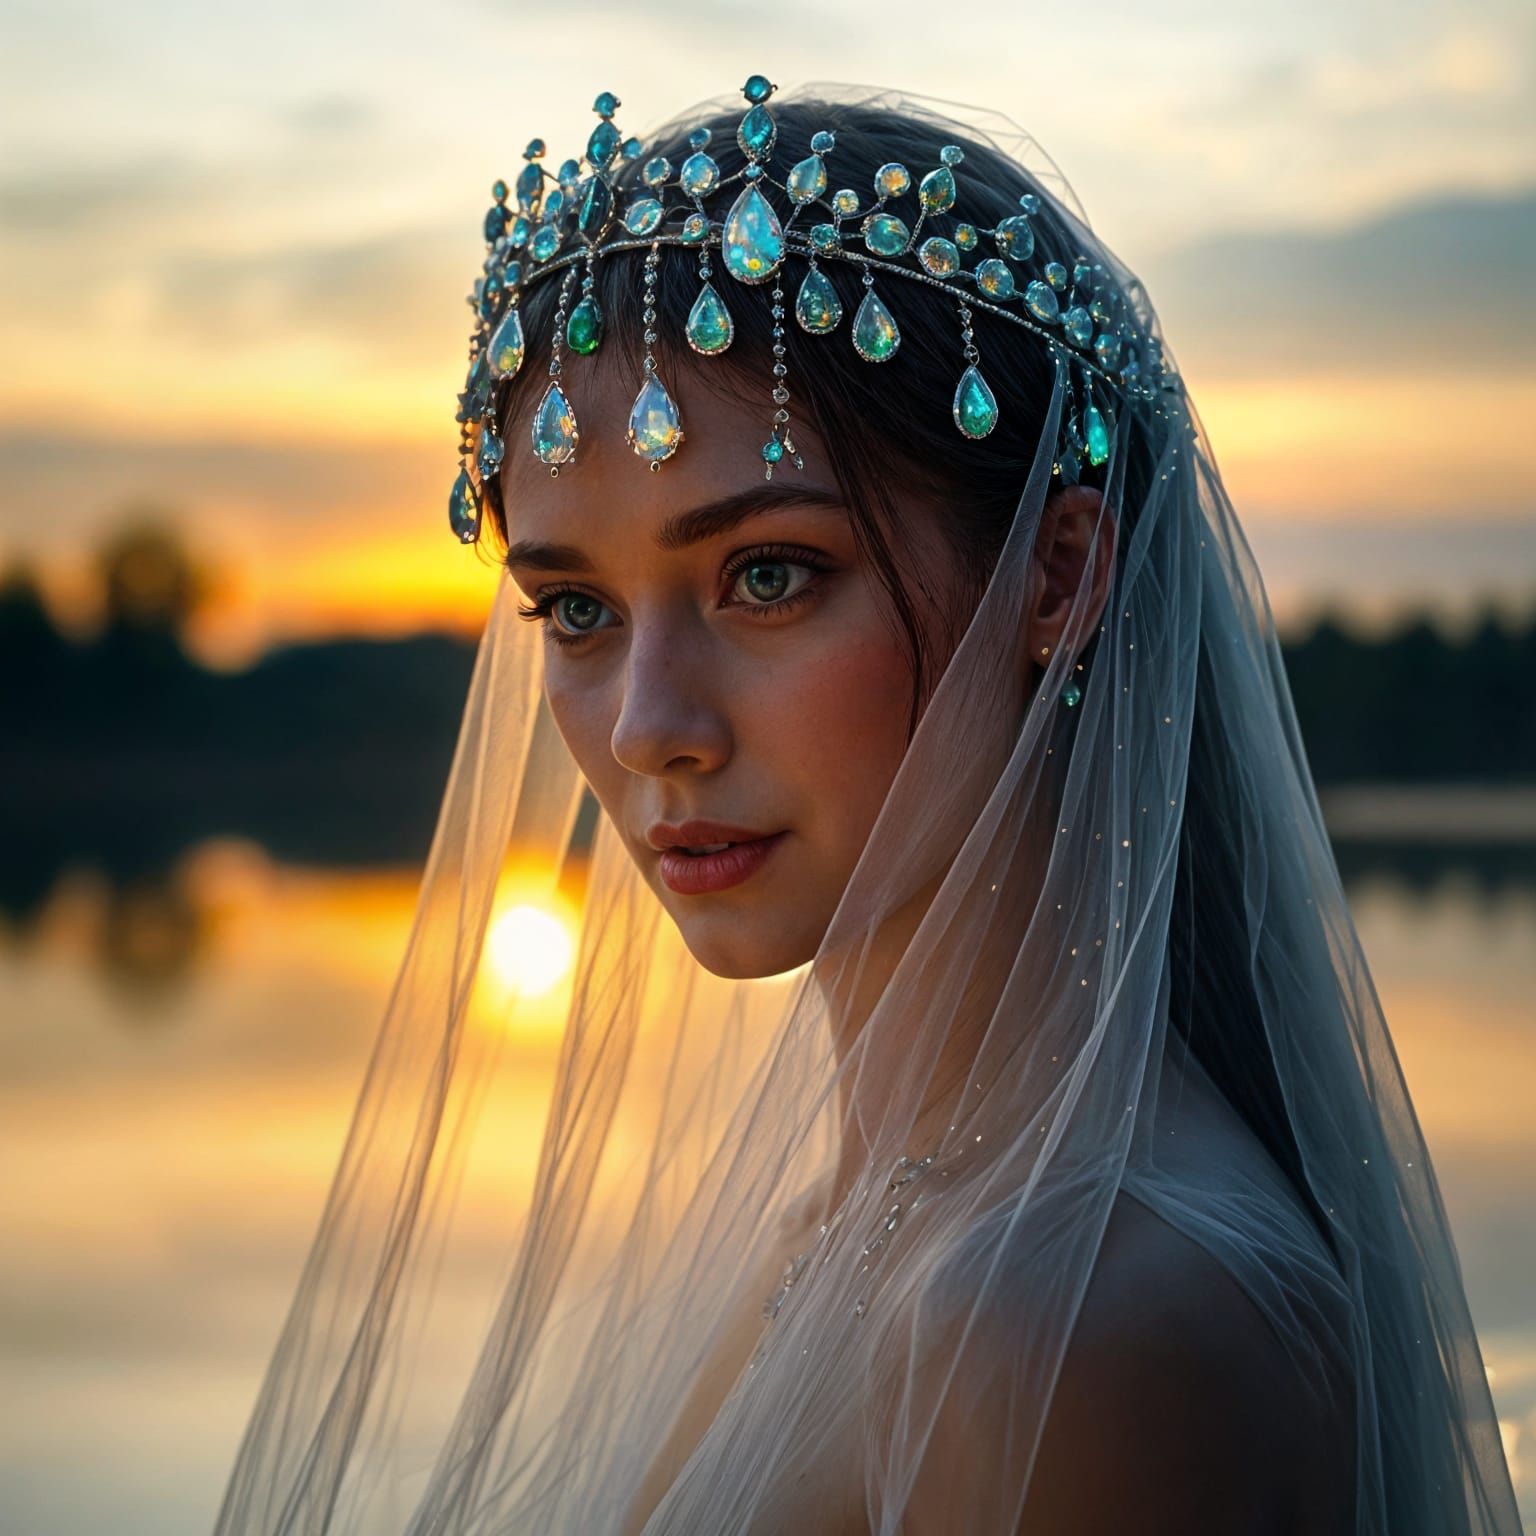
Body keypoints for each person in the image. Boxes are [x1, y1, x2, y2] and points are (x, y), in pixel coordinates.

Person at [213, 80, 1523, 1534]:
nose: (651, 728)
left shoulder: (1087, 1324)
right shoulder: (861, 1226)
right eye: (575, 609)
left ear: (1057, 577)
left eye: (768, 575)